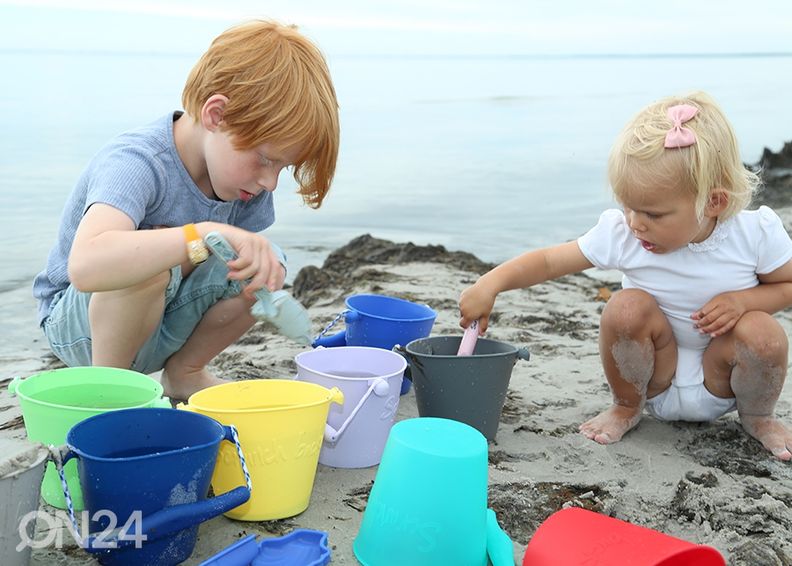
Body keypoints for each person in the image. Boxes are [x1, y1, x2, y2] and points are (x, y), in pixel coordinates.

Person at [459, 91, 792, 460]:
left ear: (714, 202)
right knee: (626, 307)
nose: (636, 224)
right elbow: (552, 261)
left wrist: (743, 301)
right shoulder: (623, 234)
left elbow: (787, 284)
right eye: (628, 207)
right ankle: (625, 407)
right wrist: (491, 283)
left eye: (653, 214)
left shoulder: (755, 233)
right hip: (653, 379)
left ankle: (759, 416)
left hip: (724, 379)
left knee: (763, 332)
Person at [33, 20, 340, 400]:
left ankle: (185, 372)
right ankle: (109, 392)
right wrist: (205, 233)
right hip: (82, 328)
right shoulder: (137, 162)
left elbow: (210, 266)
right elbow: (85, 266)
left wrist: (235, 257)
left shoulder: (244, 183)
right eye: (265, 159)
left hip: (160, 321)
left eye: (283, 167)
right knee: (147, 260)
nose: (271, 182)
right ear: (216, 115)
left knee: (264, 263)